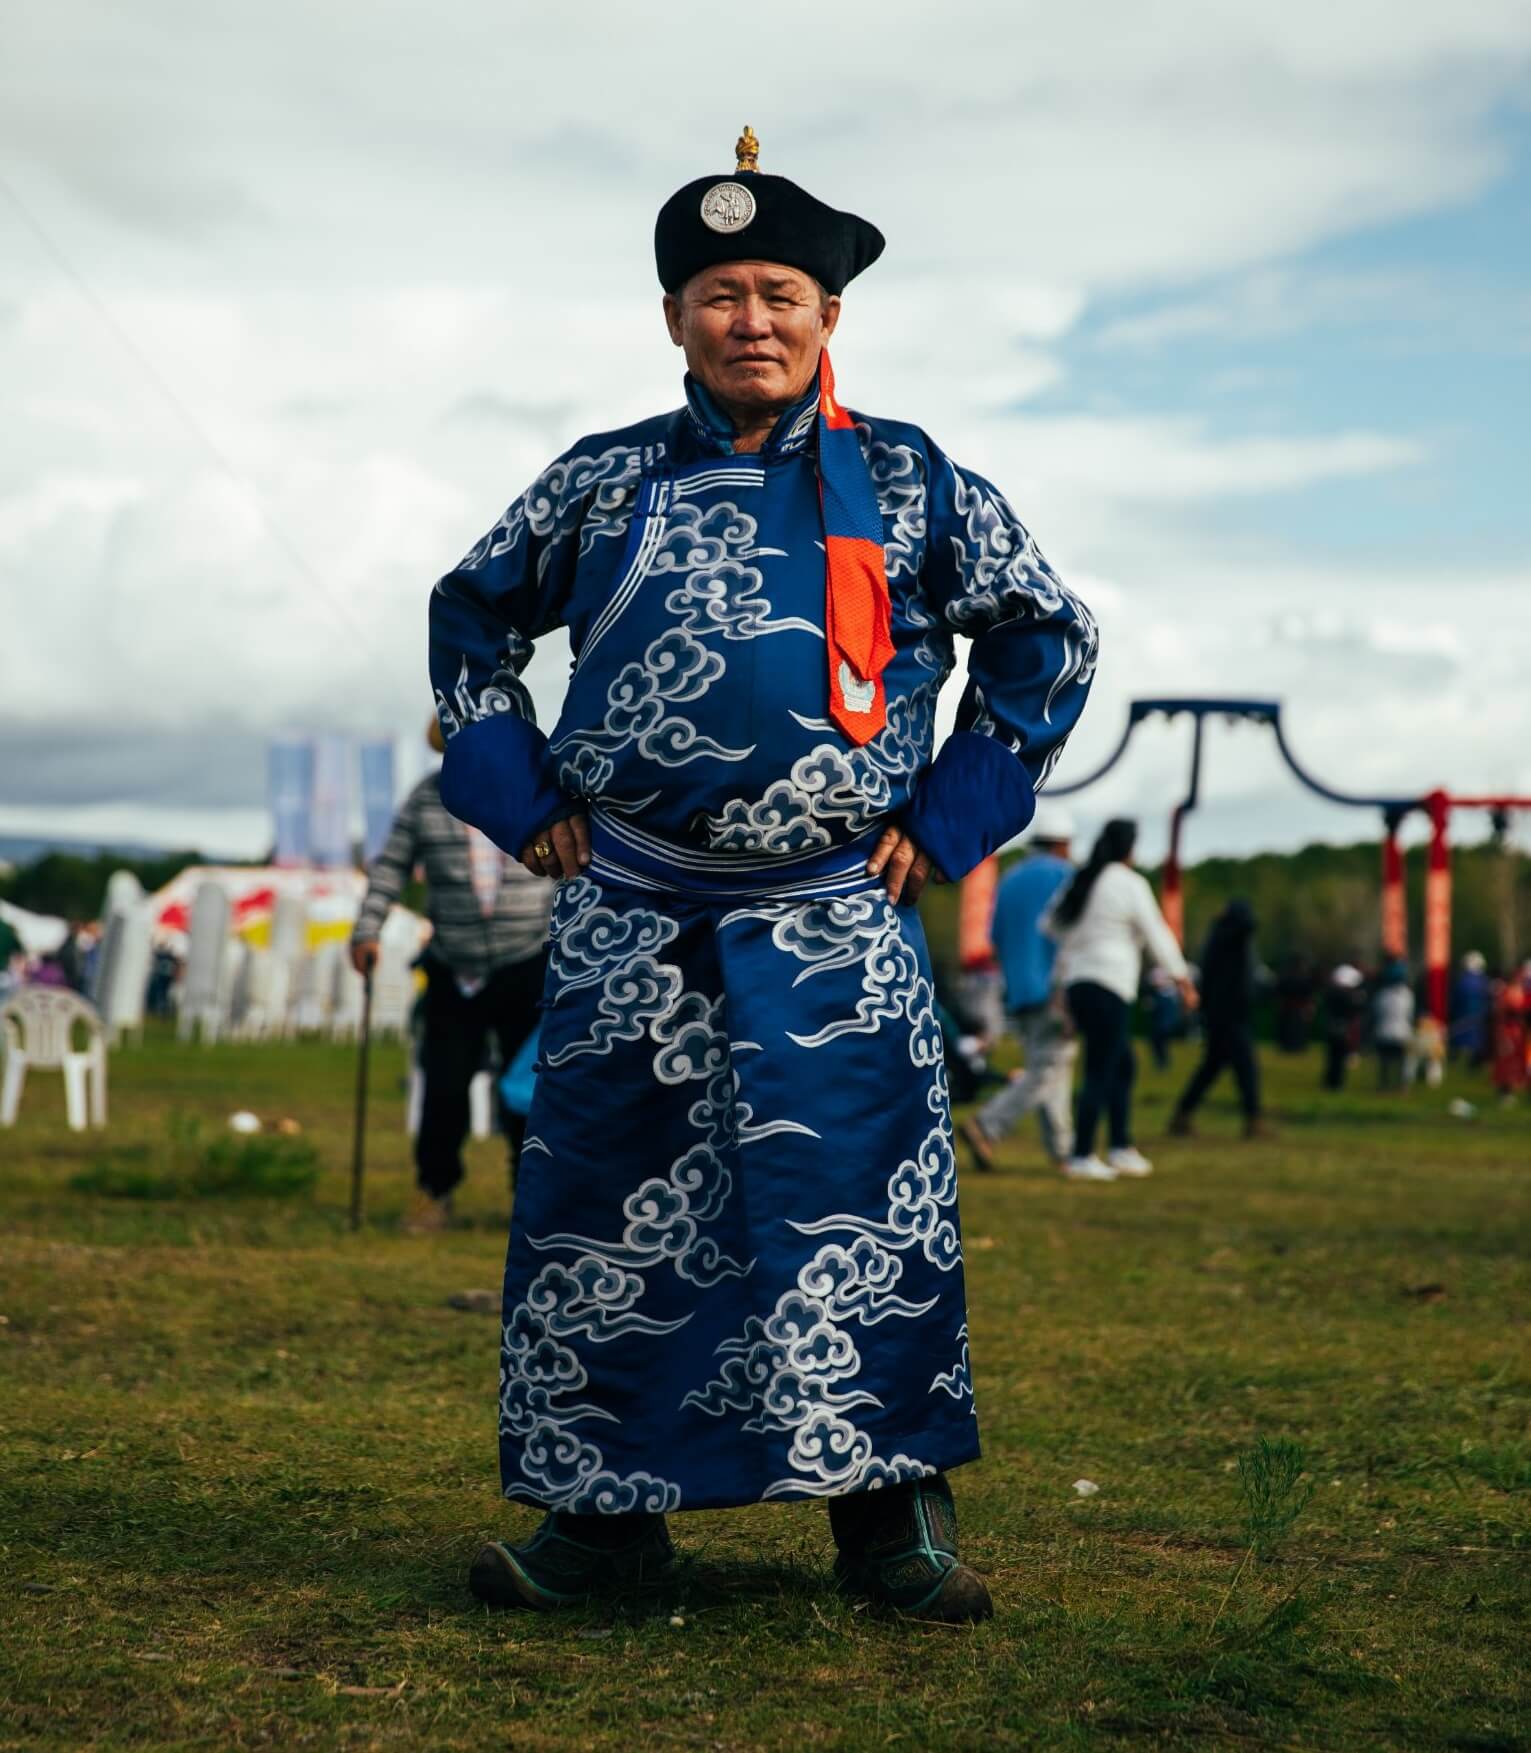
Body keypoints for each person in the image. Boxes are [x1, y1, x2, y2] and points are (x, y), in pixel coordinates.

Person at [429, 128, 1098, 1623]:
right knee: (609, 1212)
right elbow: (467, 626)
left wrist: (950, 813)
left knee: (859, 1210)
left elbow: (1047, 636)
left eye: (779, 292)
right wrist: (518, 795)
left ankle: (889, 1529)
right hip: (631, 910)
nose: (751, 319)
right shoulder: (596, 485)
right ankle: (601, 1529)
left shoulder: (914, 480)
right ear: (672, 317)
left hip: (834, 915)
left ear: (828, 319)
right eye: (720, 291)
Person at [350, 718, 554, 1230]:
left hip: (526, 960)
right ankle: (434, 1191)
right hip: (451, 964)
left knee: (527, 1092)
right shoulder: (425, 799)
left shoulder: (536, 796)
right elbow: (390, 868)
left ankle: (530, 1201)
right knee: (443, 1086)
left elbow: (570, 868)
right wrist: (366, 930)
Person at [1043, 819, 1194, 1181]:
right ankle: (1082, 1154)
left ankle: (1120, 1145)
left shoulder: (1084, 879)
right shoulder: (1129, 884)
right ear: (1131, 847)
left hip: (1080, 983)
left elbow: (1052, 927)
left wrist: (1060, 988)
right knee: (1101, 1067)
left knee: (1121, 1064)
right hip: (1109, 983)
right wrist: (1182, 979)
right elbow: (1156, 931)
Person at [957, 809, 1076, 1171]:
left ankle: (1063, 1151)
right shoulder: (1067, 877)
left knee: (1050, 1067)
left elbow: (994, 938)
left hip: (1017, 991)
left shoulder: (1009, 880)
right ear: (1062, 844)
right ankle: (987, 1124)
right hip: (1054, 990)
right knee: (1049, 1069)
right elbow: (1072, 936)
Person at [1169, 899, 1264, 1137]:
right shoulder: (1228, 936)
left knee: (1212, 1067)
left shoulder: (1222, 937)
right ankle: (1253, 1120)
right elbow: (1249, 923)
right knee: (1246, 1067)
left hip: (1224, 1013)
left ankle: (1182, 1115)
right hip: (1229, 1014)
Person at [1320, 964, 1365, 1090]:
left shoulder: (1331, 993)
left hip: (1332, 1027)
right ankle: (1336, 1083)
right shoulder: (1348, 996)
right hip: (1342, 1028)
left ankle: (1330, 1081)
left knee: (1332, 1057)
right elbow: (1353, 1011)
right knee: (1338, 1057)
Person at [1373, 960, 1414, 1092]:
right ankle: (1401, 1086)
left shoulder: (1383, 994)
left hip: (1385, 1031)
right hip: (1401, 1032)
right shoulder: (1407, 995)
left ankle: (1385, 1085)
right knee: (1400, 1062)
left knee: (1386, 1062)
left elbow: (1377, 1011)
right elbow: (1410, 1013)